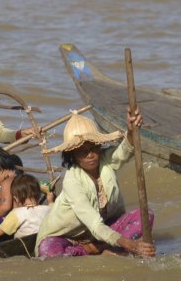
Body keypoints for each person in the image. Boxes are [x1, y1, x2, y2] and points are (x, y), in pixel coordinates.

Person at [35, 109, 156, 258]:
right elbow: (94, 224)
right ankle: (94, 250)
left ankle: (102, 248)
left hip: (99, 234)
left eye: (93, 148)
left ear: (99, 147)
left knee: (145, 215)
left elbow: (124, 152)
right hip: (66, 238)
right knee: (49, 252)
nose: (90, 155)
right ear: (72, 155)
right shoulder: (72, 180)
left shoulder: (105, 161)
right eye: (82, 151)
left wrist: (131, 131)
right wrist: (132, 245)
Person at [0, 174, 50, 240]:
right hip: (41, 238)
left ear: (16, 198)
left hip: (22, 242)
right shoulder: (47, 209)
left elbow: (3, 229)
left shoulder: (17, 213)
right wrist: (51, 201)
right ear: (39, 195)